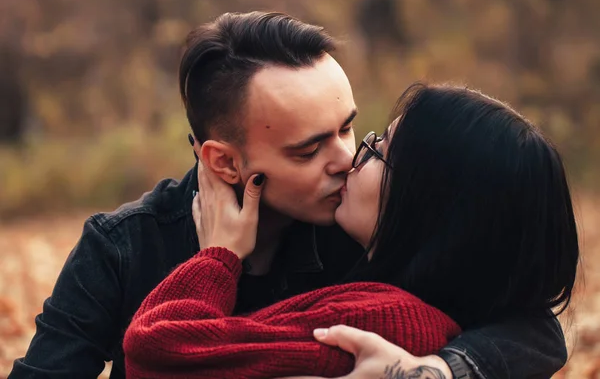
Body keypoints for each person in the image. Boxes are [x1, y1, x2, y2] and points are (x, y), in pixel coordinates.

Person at [9, 12, 569, 379]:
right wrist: (216, 262)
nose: (347, 159)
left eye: (349, 128)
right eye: (309, 150)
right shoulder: (125, 248)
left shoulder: (366, 231)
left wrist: (440, 372)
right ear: (225, 162)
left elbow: (534, 328)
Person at [123, 83, 579, 378]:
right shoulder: (392, 282)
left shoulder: (379, 323)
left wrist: (218, 257)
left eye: (376, 149)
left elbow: (155, 352)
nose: (348, 159)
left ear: (423, 204)